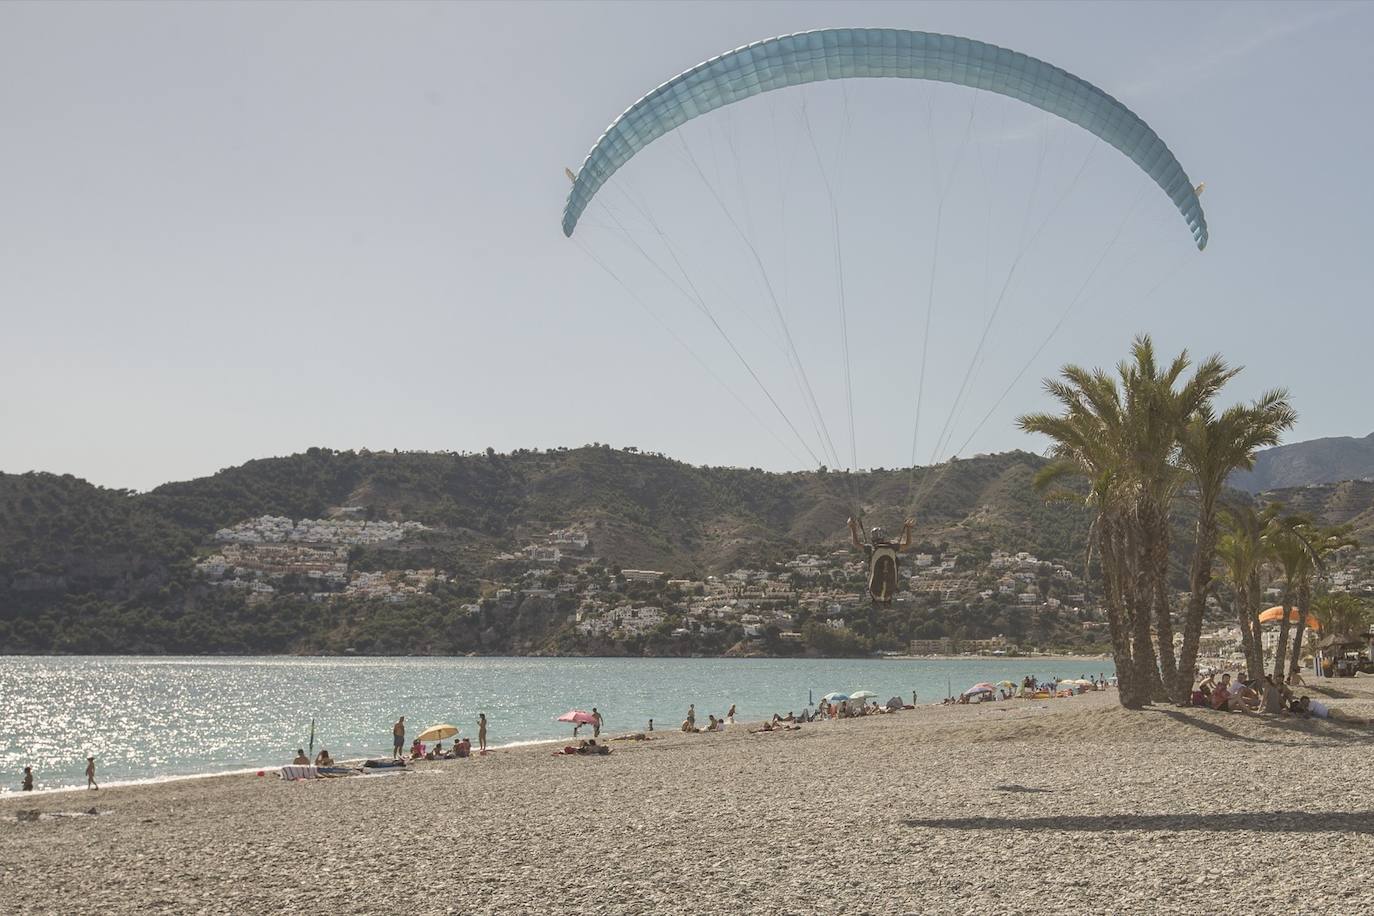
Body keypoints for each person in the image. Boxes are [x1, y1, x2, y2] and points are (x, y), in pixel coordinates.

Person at [848, 516, 914, 604]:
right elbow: (908, 544)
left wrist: (852, 527)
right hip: (889, 590)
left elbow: (856, 543)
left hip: (876, 590)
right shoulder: (893, 547)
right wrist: (909, 528)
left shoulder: (871, 548)